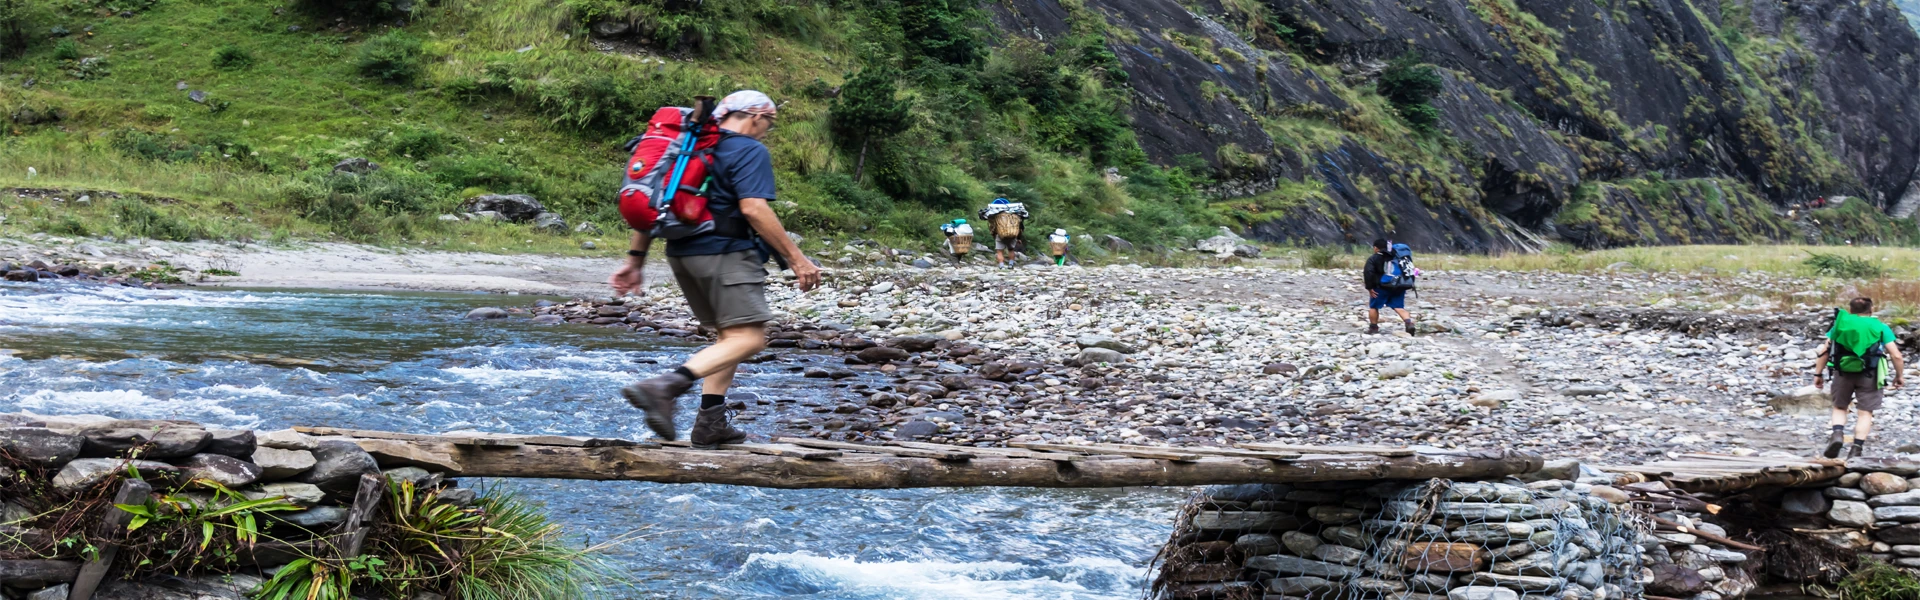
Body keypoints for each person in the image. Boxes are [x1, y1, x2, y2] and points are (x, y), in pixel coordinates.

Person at [613, 90, 822, 448]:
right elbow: (755, 209)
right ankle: (666, 386)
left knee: (729, 338)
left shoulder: (687, 146)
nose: (766, 132)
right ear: (755, 116)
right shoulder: (748, 149)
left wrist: (635, 262)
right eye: (768, 125)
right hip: (726, 253)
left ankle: (711, 421)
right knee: (749, 339)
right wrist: (797, 259)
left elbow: (653, 206)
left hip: (682, 254)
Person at [1814, 297, 1906, 458]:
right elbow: (1896, 355)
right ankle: (1856, 448)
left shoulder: (1840, 325)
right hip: (1870, 374)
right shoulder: (1880, 326)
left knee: (1840, 407)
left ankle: (1837, 434)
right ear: (1871, 309)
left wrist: (1818, 373)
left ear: (1850, 310)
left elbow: (1825, 350)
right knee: (1865, 412)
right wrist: (1899, 376)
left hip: (1842, 373)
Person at [1361, 238, 1413, 335]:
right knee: (1398, 306)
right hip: (1398, 285)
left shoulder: (1374, 258)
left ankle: (1373, 328)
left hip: (1381, 287)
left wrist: (1369, 288)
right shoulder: (1397, 257)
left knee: (1374, 307)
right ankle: (1409, 323)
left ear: (1376, 248)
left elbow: (1368, 273)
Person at [979, 198, 1028, 268]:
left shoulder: (996, 215)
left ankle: (1001, 266)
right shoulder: (1013, 215)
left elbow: (993, 227)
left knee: (999, 251)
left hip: (999, 235)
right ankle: (1011, 264)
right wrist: (1019, 238)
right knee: (1011, 250)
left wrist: (994, 235)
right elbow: (1019, 228)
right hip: (1013, 234)